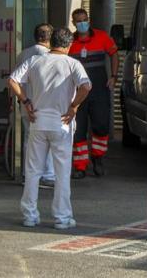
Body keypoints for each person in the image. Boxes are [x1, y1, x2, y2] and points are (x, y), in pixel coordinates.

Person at [8, 28, 92, 229]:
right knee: (62, 172)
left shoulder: (36, 60)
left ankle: (30, 215)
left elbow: (12, 80)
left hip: (38, 122)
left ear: (51, 42)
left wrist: (26, 101)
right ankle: (62, 218)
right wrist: (73, 107)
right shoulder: (73, 64)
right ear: (69, 44)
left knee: (33, 171)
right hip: (62, 125)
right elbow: (86, 86)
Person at [68, 8, 119, 179]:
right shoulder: (70, 42)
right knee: (78, 130)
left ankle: (98, 158)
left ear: (88, 20)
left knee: (101, 126)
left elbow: (114, 54)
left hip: (99, 90)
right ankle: (80, 166)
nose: (82, 23)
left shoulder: (102, 36)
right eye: (78, 21)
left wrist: (113, 76)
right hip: (78, 92)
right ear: (73, 23)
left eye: (84, 20)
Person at [16, 23, 55, 189]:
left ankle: (28, 174)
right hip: (45, 105)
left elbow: (15, 80)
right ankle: (47, 175)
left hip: (26, 103)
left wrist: (22, 101)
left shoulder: (24, 54)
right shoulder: (50, 56)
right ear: (50, 38)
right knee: (49, 140)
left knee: (29, 140)